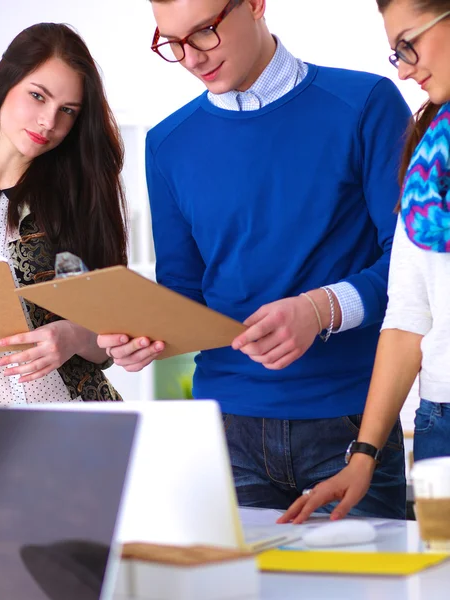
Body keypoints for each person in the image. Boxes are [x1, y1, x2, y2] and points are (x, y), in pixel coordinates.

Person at [99, 0, 411, 518]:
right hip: (223, 432)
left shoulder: (365, 104)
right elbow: (184, 288)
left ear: (255, 5)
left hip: (351, 428)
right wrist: (142, 332)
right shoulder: (167, 144)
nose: (191, 59)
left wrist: (319, 310)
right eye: (171, 43)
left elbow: (409, 267)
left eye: (203, 33)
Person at [278, 0, 450, 525]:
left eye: (408, 45)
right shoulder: (426, 159)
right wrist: (365, 454)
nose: (403, 67)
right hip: (442, 422)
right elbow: (408, 319)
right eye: (394, 51)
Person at [0, 23, 129, 434]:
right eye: (38, 96)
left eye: (67, 110)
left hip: (70, 427)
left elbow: (112, 329)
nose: (48, 121)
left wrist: (73, 336)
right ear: (5, 80)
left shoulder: (79, 198)